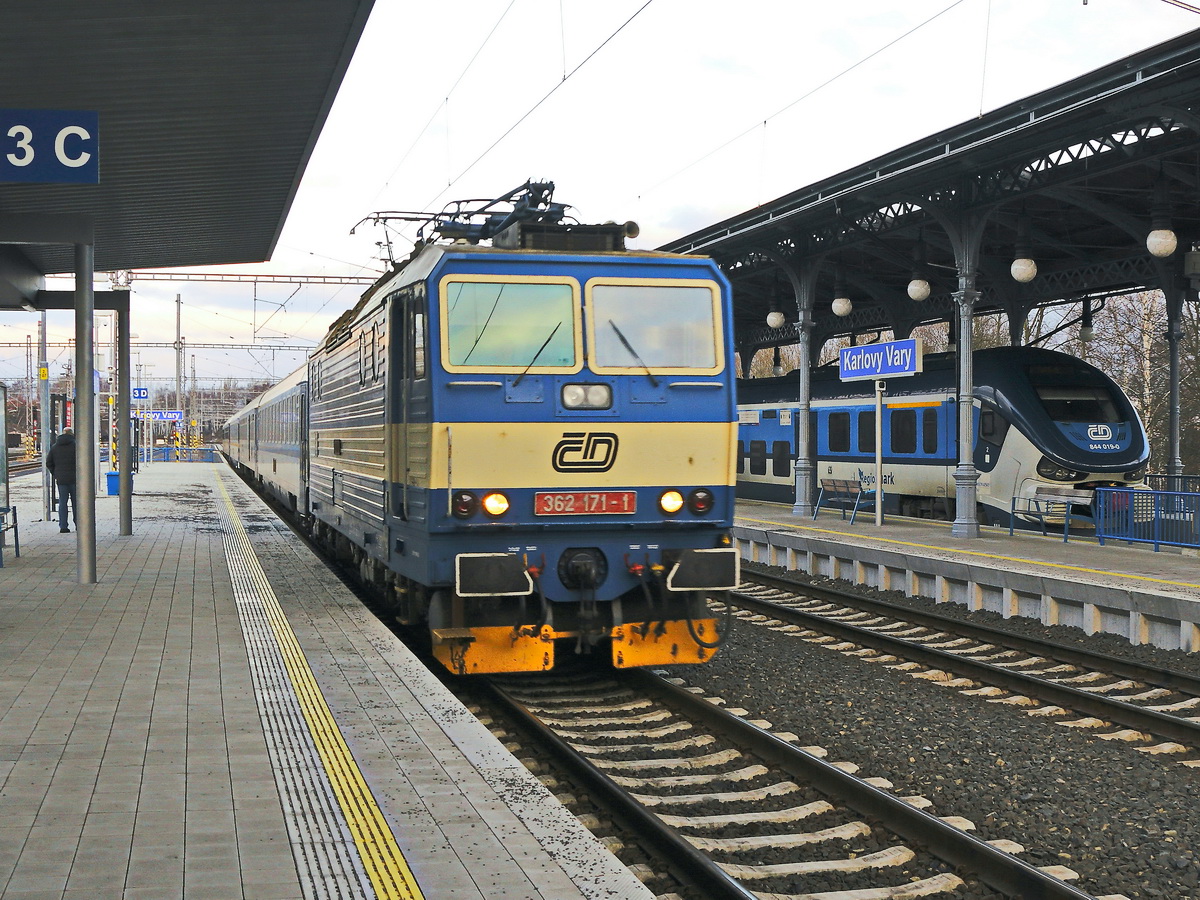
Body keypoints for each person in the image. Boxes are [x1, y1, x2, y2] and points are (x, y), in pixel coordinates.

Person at [46, 427, 77, 533]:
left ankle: (63, 526)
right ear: (72, 434)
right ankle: (79, 524)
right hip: (75, 479)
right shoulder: (76, 446)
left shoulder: (55, 447)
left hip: (61, 479)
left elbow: (49, 462)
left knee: (63, 502)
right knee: (76, 502)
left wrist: (55, 473)